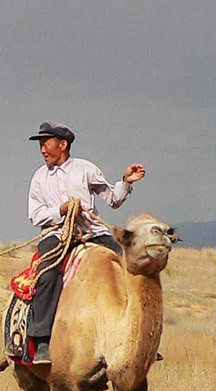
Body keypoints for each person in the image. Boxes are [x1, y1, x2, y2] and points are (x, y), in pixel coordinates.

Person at [26, 121, 146, 364]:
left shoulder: (85, 169)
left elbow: (112, 199)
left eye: (46, 143)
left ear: (63, 144)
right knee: (47, 273)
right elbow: (35, 214)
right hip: (56, 234)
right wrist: (60, 210)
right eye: (40, 144)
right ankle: (41, 340)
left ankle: (138, 333)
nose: (42, 149)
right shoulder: (39, 177)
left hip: (91, 232)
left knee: (126, 267)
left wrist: (126, 181)